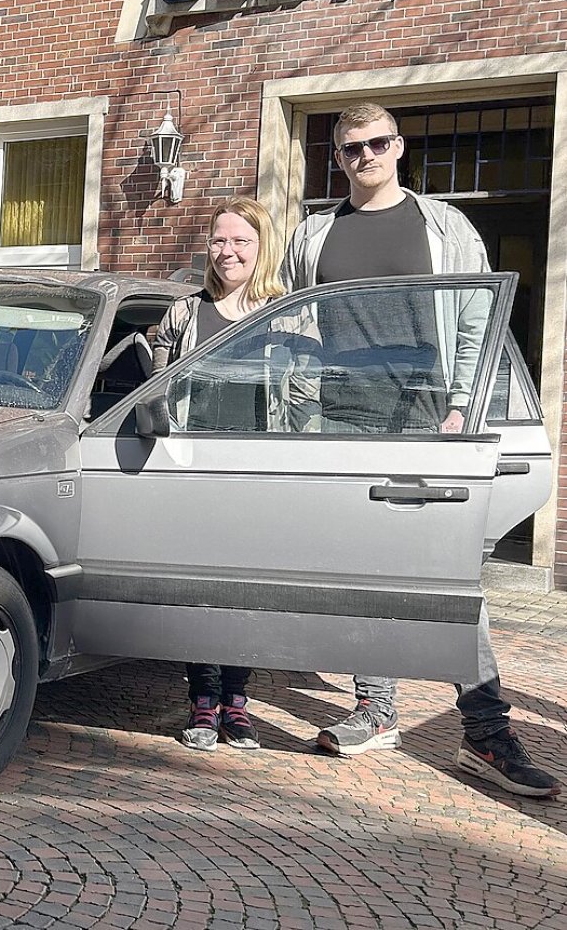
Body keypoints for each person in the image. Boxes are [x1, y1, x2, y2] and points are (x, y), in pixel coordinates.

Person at [280, 101, 559, 799]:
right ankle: (376, 708)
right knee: (364, 574)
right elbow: (289, 326)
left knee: (451, 578)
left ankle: (486, 733)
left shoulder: (446, 228)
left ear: (399, 147)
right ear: (337, 157)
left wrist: (462, 409)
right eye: (351, 148)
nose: (365, 156)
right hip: (340, 424)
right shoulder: (315, 235)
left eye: (377, 144)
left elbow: (477, 324)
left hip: (431, 423)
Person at [153, 196, 286, 751]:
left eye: (241, 241)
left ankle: (238, 702)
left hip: (258, 474)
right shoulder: (186, 312)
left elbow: (305, 395)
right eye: (219, 240)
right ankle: (203, 703)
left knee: (247, 594)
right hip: (195, 472)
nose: (228, 252)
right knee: (201, 591)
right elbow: (156, 384)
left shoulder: (287, 312)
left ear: (262, 248)